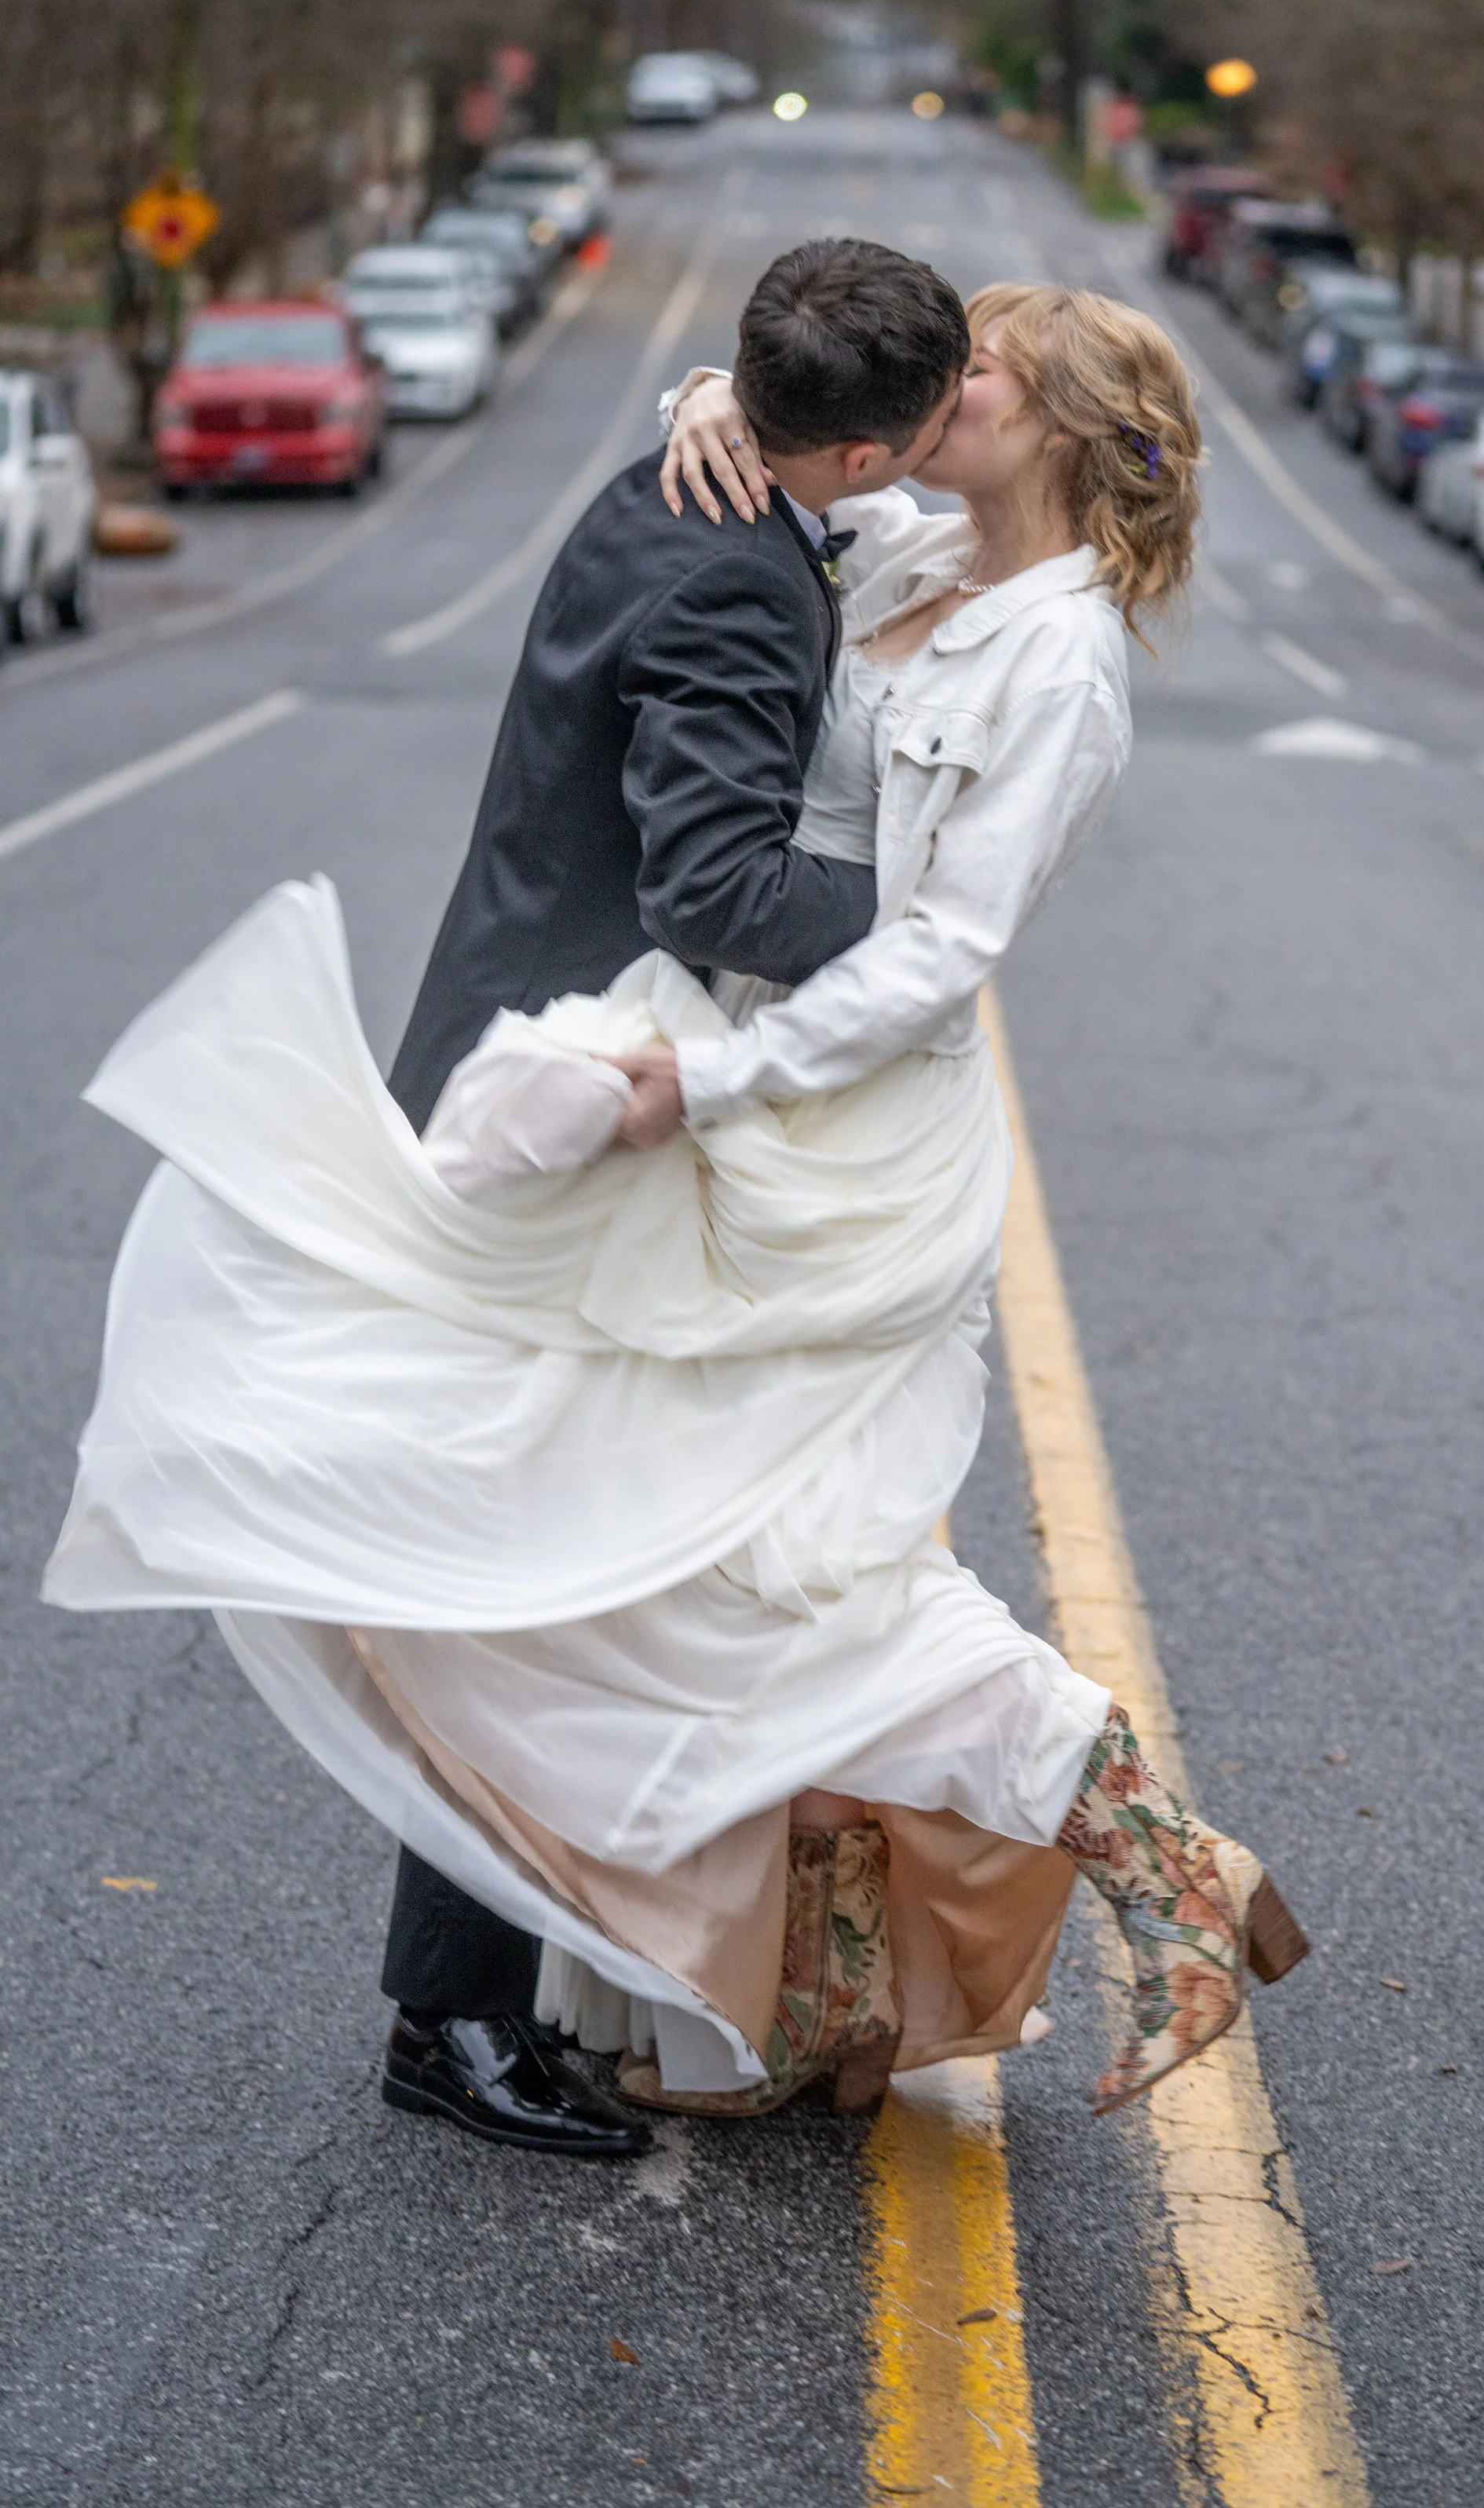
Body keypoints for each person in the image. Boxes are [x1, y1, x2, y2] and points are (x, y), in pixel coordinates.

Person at [46, 273, 1308, 2157]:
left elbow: (940, 942)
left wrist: (701, 1079)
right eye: (943, 363)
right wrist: (706, 390)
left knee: (746, 1562)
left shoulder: (1059, 661)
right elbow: (805, 466)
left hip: (812, 1124)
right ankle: (843, 1965)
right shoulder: (886, 534)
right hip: (694, 1091)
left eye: (989, 367)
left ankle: (1099, 1865)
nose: (959, 382)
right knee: (639, 1548)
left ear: (1044, 423)